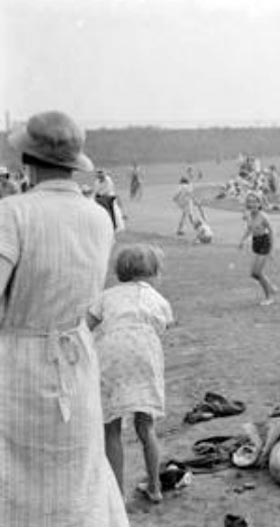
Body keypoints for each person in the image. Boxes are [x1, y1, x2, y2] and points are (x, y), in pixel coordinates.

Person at [0, 111, 128, 526]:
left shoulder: (13, 213)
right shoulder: (98, 216)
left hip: (19, 363)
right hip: (77, 360)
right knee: (76, 475)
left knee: (17, 481)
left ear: (27, 160)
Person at [87, 244, 173, 504]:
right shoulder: (158, 299)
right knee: (146, 426)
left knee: (111, 428)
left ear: (120, 270)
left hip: (110, 357)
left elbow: (87, 326)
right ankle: (155, 487)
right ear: (153, 270)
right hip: (145, 357)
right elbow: (164, 326)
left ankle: (117, 495)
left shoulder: (106, 296)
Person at [238, 192, 278, 305]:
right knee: (253, 274)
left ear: (259, 203)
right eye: (249, 201)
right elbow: (249, 229)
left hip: (265, 242)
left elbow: (271, 232)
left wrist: (272, 250)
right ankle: (271, 287)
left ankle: (269, 297)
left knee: (258, 272)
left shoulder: (264, 216)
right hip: (255, 243)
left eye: (255, 202)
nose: (252, 204)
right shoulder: (248, 215)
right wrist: (242, 240)